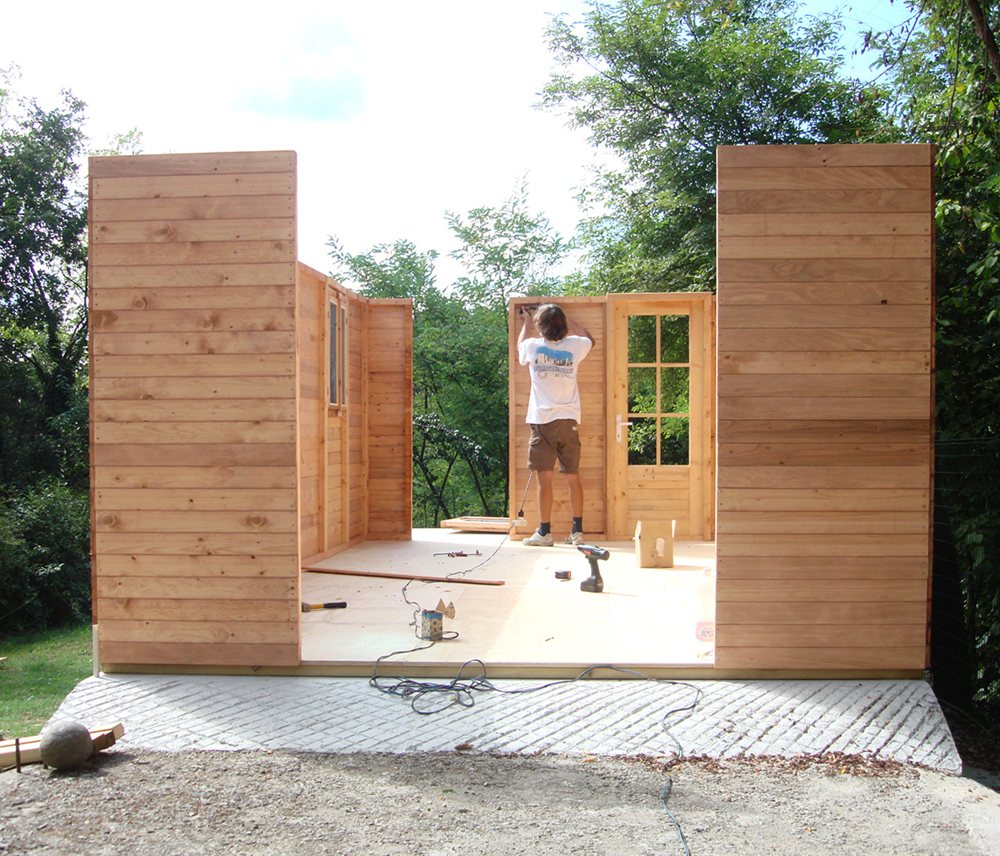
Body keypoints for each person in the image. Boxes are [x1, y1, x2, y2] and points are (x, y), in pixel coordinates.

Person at [517, 303, 595, 546]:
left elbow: (520, 349)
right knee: (573, 477)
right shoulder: (574, 345)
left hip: (542, 422)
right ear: (562, 324)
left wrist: (526, 322)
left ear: (541, 326)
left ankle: (544, 533)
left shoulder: (532, 346)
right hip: (569, 420)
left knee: (544, 480)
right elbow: (590, 339)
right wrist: (567, 319)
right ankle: (577, 532)